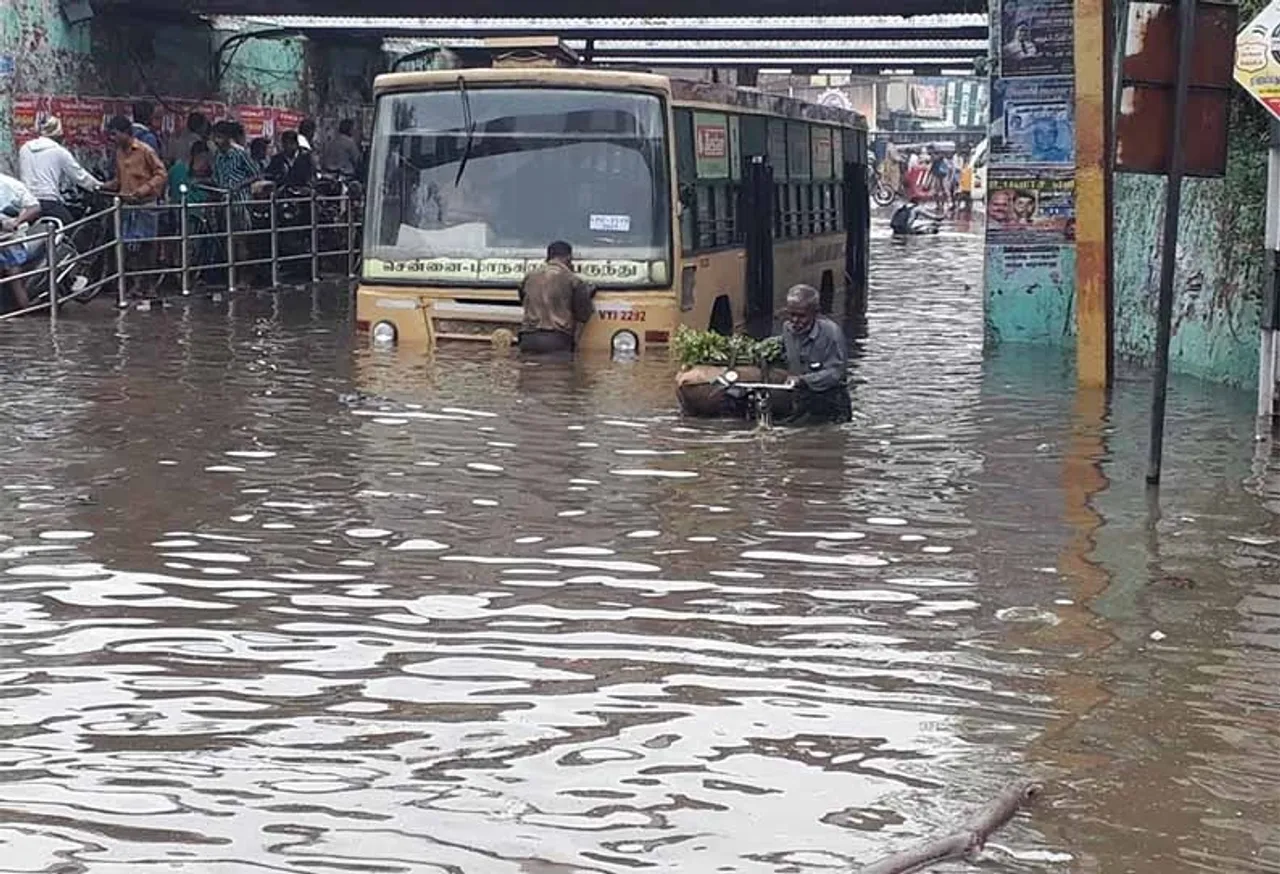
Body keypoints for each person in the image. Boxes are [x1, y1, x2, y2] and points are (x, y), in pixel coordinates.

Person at [102, 114, 167, 298]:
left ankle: (150, 285)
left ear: (125, 133)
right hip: (127, 205)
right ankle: (137, 284)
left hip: (145, 204)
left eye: (115, 134)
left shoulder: (145, 150)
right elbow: (119, 179)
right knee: (130, 247)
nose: (112, 139)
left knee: (147, 246)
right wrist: (104, 186)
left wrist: (145, 189)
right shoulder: (119, 153)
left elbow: (161, 174)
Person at [778, 284, 851, 424]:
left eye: (801, 316)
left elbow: (836, 372)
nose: (795, 321)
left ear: (815, 313)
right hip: (802, 400)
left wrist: (804, 380)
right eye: (791, 314)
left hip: (831, 402)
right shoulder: (787, 329)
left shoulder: (831, 333)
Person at [18, 115, 102, 223]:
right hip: (48, 202)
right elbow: (79, 176)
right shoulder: (58, 151)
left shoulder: (24, 148)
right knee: (71, 229)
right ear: (57, 135)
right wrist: (99, 186)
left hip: (26, 203)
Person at [517, 240, 596, 355]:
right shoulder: (573, 280)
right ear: (569, 257)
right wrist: (588, 294)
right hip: (557, 339)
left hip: (528, 339)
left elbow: (524, 301)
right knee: (558, 371)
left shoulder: (529, 277)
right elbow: (584, 314)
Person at [211, 120, 262, 265]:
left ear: (227, 137)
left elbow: (256, 174)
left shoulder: (240, 153)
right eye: (215, 137)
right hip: (223, 201)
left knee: (241, 240)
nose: (216, 141)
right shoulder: (218, 156)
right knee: (227, 240)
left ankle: (244, 276)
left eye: (219, 137)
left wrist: (239, 185)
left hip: (240, 202)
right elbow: (216, 177)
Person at [0, 172, 43, 311]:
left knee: (12, 268)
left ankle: (23, 307)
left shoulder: (11, 185)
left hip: (10, 237)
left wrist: (17, 222)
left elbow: (34, 207)